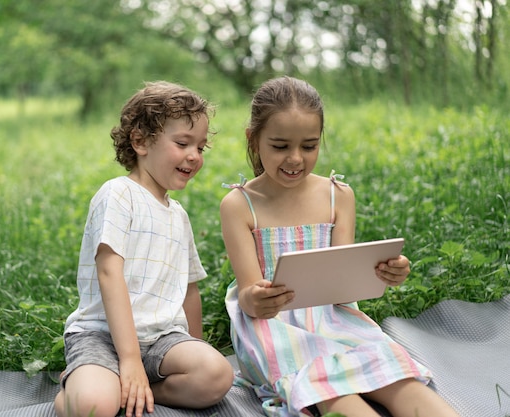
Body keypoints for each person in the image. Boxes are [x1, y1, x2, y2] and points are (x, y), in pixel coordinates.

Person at [220, 76, 460, 417]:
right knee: (328, 388)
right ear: (253, 139)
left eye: (309, 146)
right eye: (279, 146)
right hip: (273, 326)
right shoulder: (239, 205)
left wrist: (385, 272)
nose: (295, 159)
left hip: (332, 317)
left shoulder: (338, 195)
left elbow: (340, 281)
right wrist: (256, 298)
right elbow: (248, 295)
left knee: (393, 373)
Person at [54, 81, 234, 417]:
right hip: (102, 336)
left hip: (162, 340)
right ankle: (84, 387)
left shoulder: (178, 215)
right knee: (94, 406)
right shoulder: (118, 195)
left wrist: (194, 344)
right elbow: (109, 273)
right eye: (182, 143)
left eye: (201, 147)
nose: (194, 156)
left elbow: (189, 289)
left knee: (217, 375)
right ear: (140, 141)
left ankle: (136, 389)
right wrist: (130, 359)